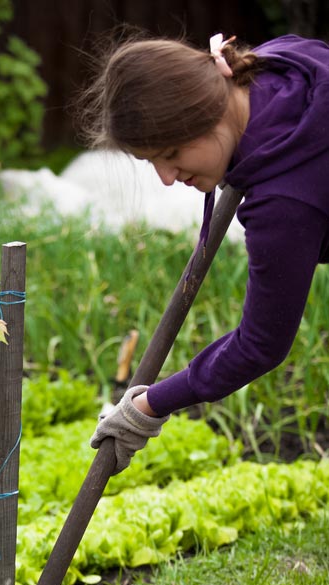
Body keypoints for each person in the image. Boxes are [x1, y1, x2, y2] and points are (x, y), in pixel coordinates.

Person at [86, 31, 329, 471]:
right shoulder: (284, 60)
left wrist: (150, 406)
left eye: (172, 153)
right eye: (151, 161)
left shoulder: (282, 201)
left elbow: (260, 345)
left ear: (209, 109)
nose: (165, 177)